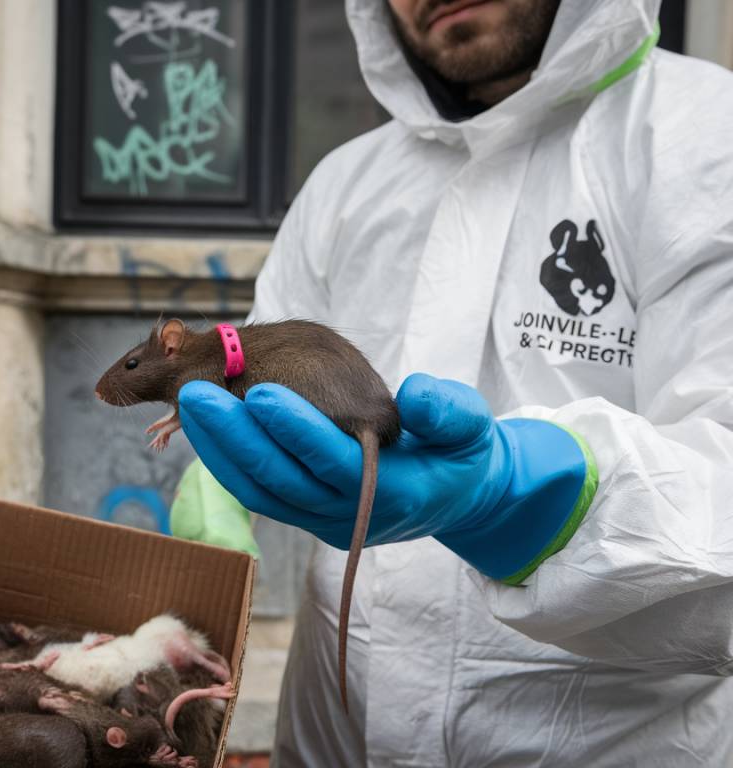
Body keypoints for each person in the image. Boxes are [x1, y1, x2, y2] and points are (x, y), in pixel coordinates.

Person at [169, 0, 733, 765]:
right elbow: (259, 373)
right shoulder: (347, 181)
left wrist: (525, 502)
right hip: (336, 736)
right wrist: (220, 482)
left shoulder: (706, 138)